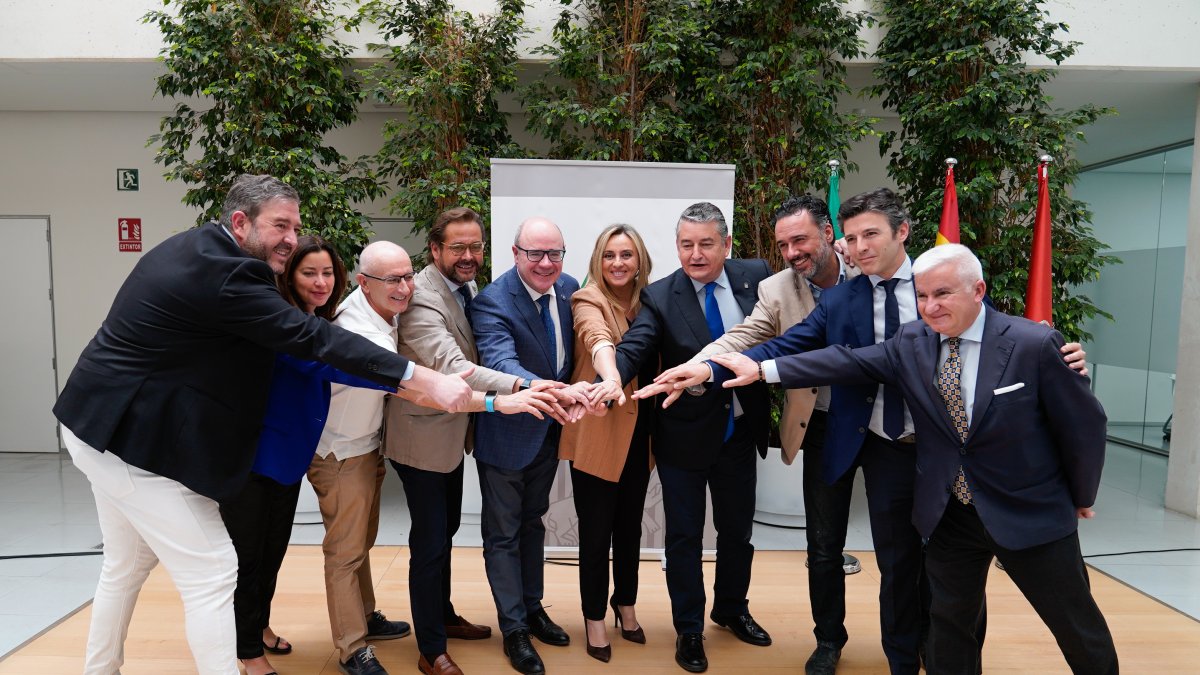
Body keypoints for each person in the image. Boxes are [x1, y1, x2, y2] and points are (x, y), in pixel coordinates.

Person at [53, 174, 472, 675]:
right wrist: (420, 375)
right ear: (239, 222)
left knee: (125, 567)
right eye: (280, 225)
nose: (292, 238)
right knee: (213, 572)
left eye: (295, 225)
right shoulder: (233, 275)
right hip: (125, 439)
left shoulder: (193, 248)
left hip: (98, 422)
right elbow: (314, 341)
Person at [708, 243, 1119, 675]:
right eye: (922, 296)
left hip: (1028, 512)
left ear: (978, 290)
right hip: (951, 516)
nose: (930, 306)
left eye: (943, 294)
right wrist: (760, 370)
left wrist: (1080, 493)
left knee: (1076, 626)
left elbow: (1084, 425)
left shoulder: (1032, 343)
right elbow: (845, 361)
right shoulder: (912, 342)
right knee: (950, 629)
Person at [653, 195, 859, 674]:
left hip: (881, 426)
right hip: (809, 424)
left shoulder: (864, 269)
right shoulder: (773, 287)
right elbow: (748, 335)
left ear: (829, 233)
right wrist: (698, 368)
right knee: (821, 546)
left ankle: (732, 607)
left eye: (800, 239)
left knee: (899, 542)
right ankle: (823, 639)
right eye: (784, 243)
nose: (791, 251)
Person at [384, 207, 569, 675]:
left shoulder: (464, 288)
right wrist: (528, 388)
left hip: (460, 432)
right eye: (458, 247)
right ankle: (433, 648)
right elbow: (454, 366)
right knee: (431, 543)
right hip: (424, 436)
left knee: (455, 533)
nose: (469, 256)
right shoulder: (425, 298)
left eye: (475, 246)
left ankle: (456, 617)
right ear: (435, 250)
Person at [603, 202, 773, 673]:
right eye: (686, 245)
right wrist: (611, 377)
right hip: (684, 437)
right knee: (684, 538)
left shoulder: (756, 276)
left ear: (727, 244)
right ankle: (690, 628)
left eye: (705, 244)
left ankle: (732, 608)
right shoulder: (660, 295)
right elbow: (637, 344)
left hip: (739, 431)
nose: (695, 255)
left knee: (738, 532)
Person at [220, 236, 395, 675]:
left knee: (273, 548)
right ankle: (247, 652)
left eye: (327, 273)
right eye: (308, 272)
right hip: (253, 457)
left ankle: (257, 629)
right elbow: (327, 365)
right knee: (249, 556)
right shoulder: (286, 323)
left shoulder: (317, 318)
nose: (320, 282)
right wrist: (411, 379)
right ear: (288, 276)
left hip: (289, 457)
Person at [470, 217, 591, 675]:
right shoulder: (493, 301)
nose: (545, 263)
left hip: (550, 431)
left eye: (554, 254)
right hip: (507, 435)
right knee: (502, 534)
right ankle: (514, 629)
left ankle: (533, 607)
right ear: (516, 253)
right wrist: (545, 389)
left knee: (533, 523)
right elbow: (499, 358)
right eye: (535, 254)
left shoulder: (570, 287)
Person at [560, 224, 657, 663]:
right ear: (598, 261)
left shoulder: (652, 303)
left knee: (631, 530)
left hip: (641, 437)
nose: (618, 263)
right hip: (599, 433)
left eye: (626, 255)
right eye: (609, 255)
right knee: (597, 536)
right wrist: (611, 375)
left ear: (640, 261)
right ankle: (594, 618)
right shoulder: (587, 299)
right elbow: (596, 338)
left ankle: (627, 603)